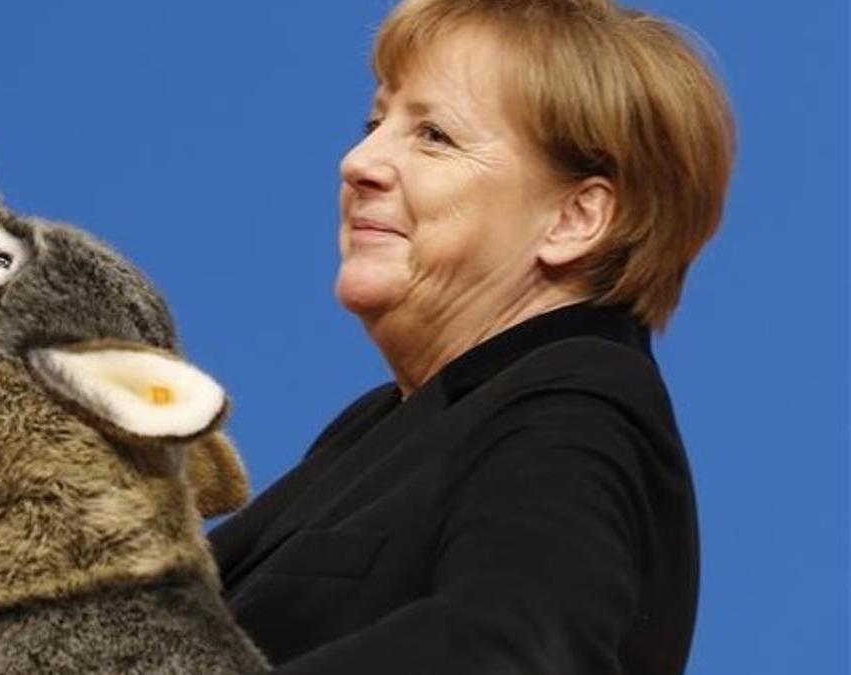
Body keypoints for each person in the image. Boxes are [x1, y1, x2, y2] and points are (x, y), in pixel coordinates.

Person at [208, 0, 735, 673]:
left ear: (575, 217)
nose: (359, 160)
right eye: (375, 122)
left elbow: (510, 650)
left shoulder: (574, 410)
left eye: (433, 135)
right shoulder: (383, 424)